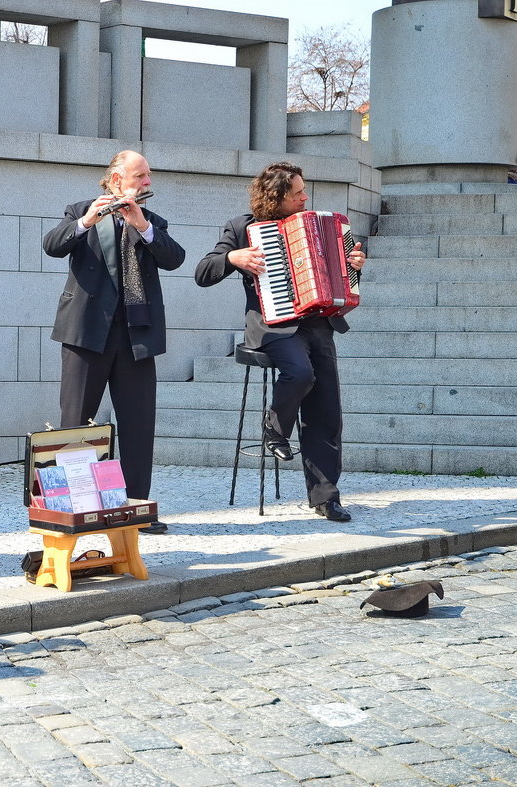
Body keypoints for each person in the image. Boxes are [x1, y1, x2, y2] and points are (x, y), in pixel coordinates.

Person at [194, 162, 366, 522]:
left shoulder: (318, 225)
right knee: (300, 374)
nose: (305, 197)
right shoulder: (242, 228)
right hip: (273, 327)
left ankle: (325, 497)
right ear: (276, 197)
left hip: (318, 323)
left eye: (304, 191)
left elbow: (341, 275)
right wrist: (232, 257)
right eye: (298, 193)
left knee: (327, 410)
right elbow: (203, 272)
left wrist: (353, 266)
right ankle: (275, 426)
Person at [42, 150, 185, 532]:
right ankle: (74, 507)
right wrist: (88, 220)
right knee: (75, 423)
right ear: (117, 178)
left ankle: (137, 507)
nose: (148, 182)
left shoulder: (150, 220)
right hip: (86, 333)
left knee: (139, 426)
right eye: (141, 175)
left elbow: (175, 259)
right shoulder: (80, 210)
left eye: (148, 176)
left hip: (135, 335)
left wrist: (143, 227)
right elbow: (52, 245)